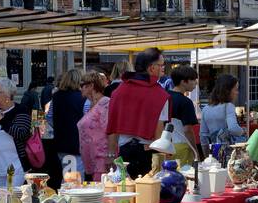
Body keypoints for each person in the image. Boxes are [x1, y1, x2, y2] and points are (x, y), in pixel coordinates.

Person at [106, 47, 169, 178]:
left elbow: (113, 125)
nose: (164, 68)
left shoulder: (119, 91)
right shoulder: (160, 95)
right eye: (161, 65)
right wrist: (164, 159)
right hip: (148, 152)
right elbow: (159, 133)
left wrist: (111, 154)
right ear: (151, 68)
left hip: (124, 152)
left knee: (125, 192)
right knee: (149, 194)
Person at [51, 69, 85, 177]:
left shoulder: (56, 96)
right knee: (75, 179)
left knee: (67, 176)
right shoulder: (82, 98)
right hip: (77, 142)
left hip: (61, 141)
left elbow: (49, 116)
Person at [77, 71, 110, 180]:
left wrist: (110, 157)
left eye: (82, 85)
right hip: (92, 163)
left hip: (101, 162)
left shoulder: (105, 104)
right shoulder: (91, 105)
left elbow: (111, 131)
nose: (80, 88)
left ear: (91, 85)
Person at [200, 72, 244, 151]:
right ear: (227, 91)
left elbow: (203, 136)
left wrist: (207, 156)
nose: (237, 93)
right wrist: (243, 131)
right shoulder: (228, 106)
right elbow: (233, 128)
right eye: (236, 89)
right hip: (228, 150)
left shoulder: (205, 109)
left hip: (214, 150)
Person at [169, 63, 201, 164]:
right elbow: (188, 130)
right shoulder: (186, 102)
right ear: (184, 81)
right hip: (181, 145)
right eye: (193, 79)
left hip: (163, 145)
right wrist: (196, 152)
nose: (195, 83)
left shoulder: (164, 97)